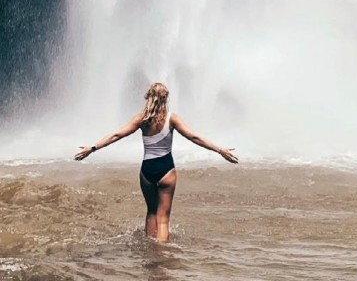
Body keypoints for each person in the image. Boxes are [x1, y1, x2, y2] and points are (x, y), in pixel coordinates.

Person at [73, 81, 238, 242]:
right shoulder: (172, 119)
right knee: (163, 218)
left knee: (151, 212)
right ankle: (162, 256)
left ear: (149, 98)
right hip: (166, 170)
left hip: (147, 171)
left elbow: (117, 135)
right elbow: (194, 137)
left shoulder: (141, 119)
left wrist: (92, 148)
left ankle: (150, 254)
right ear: (165, 99)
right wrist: (220, 149)